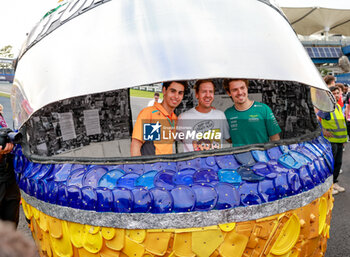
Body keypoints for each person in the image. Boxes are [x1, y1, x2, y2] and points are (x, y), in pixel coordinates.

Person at [131, 81, 186, 156]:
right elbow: (136, 145)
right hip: (151, 166)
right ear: (164, 90)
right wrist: (138, 167)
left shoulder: (174, 118)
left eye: (180, 93)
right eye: (173, 91)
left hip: (167, 166)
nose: (176, 96)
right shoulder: (150, 113)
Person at [224, 79, 281, 147]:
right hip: (238, 157)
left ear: (247, 88)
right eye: (235, 90)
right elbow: (229, 139)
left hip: (261, 157)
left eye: (242, 88)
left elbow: (275, 139)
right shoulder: (227, 114)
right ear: (229, 93)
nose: (240, 92)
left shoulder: (264, 109)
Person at [177, 79, 230, 152]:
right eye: (204, 92)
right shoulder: (183, 118)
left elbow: (229, 138)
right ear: (197, 94)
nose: (208, 95)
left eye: (211, 92)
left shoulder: (220, 116)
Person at [317, 86, 348, 195]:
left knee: (338, 163)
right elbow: (316, 120)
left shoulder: (338, 107)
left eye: (337, 93)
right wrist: (322, 130)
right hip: (331, 141)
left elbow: (342, 124)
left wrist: (344, 139)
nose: (335, 95)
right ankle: (328, 187)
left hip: (339, 141)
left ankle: (334, 183)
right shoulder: (326, 107)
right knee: (330, 164)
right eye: (333, 93)